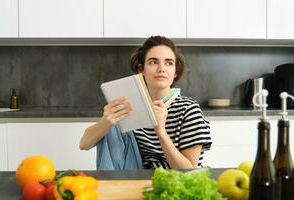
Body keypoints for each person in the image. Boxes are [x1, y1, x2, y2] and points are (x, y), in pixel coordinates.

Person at [79, 36, 211, 169]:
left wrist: (161, 131)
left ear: (175, 72)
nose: (161, 69)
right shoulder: (130, 105)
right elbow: (84, 144)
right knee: (113, 123)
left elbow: (189, 170)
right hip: (137, 177)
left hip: (175, 180)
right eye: (153, 62)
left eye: (169, 63)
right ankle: (113, 184)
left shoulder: (188, 109)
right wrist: (107, 121)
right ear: (142, 69)